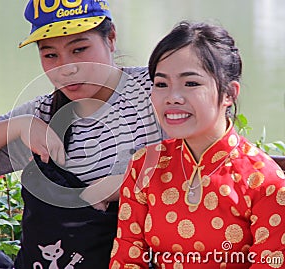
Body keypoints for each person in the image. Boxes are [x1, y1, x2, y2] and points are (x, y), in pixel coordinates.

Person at [0, 0, 163, 268]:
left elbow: (211, 164)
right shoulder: (45, 114)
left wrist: (121, 186)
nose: (66, 67)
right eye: (51, 55)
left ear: (111, 38)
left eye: (79, 49)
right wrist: (18, 126)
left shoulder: (159, 90)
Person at [110, 21, 285, 269]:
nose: (172, 97)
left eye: (191, 83)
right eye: (161, 84)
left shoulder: (265, 182)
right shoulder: (145, 165)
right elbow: (127, 259)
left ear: (229, 94)